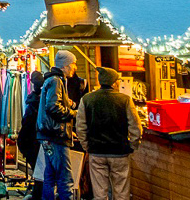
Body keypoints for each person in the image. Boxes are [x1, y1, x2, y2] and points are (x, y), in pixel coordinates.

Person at [76, 67, 142, 200]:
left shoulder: (87, 99)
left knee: (100, 194)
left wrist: (86, 145)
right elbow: (135, 126)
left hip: (97, 151)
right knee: (121, 192)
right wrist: (133, 145)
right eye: (118, 80)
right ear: (114, 82)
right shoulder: (125, 100)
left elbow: (80, 126)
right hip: (119, 152)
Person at [37, 50, 78, 200]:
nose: (75, 67)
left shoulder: (52, 80)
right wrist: (74, 113)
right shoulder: (56, 81)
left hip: (48, 135)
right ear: (65, 65)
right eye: (73, 64)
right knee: (64, 178)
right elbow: (53, 107)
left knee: (50, 175)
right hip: (56, 136)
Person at [17, 71, 44, 200]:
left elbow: (25, 123)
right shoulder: (40, 104)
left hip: (28, 142)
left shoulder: (31, 102)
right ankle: (37, 195)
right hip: (34, 142)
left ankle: (36, 194)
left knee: (38, 171)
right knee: (41, 171)